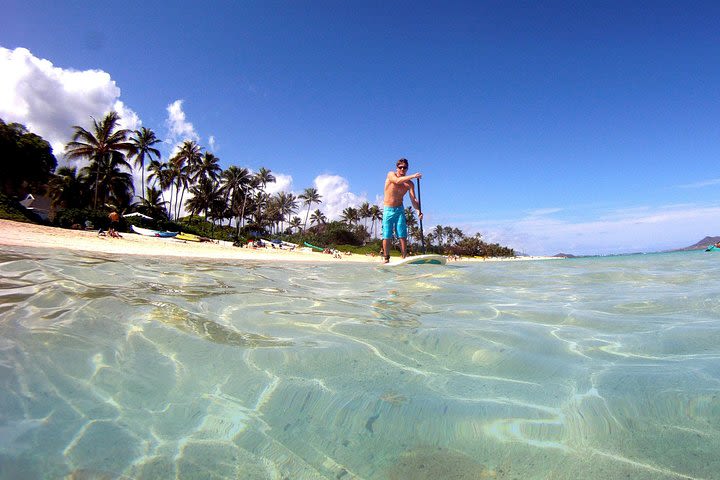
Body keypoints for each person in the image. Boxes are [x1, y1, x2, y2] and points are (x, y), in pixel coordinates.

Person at [382, 158, 422, 263]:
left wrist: (418, 211)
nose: (402, 169)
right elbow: (396, 181)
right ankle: (386, 258)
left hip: (400, 209)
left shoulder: (410, 184)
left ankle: (404, 257)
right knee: (387, 235)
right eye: (400, 167)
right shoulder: (391, 174)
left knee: (402, 234)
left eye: (405, 168)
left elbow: (413, 199)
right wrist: (413, 176)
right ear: (397, 168)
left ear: (407, 168)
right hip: (388, 209)